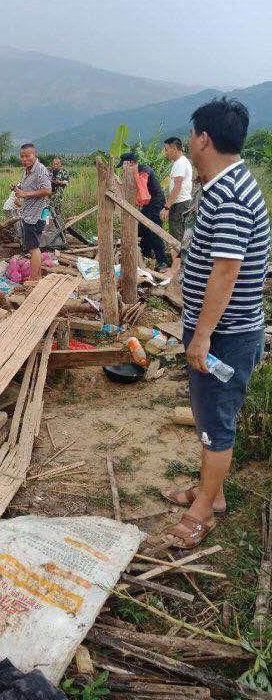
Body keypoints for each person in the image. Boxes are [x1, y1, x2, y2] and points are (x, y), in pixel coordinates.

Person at [163, 98, 269, 549]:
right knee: (209, 414)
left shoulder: (230, 195)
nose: (190, 142)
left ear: (204, 138)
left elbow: (226, 271)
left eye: (192, 135)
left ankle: (203, 511)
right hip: (221, 330)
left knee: (217, 420)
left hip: (225, 335)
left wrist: (202, 334)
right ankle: (213, 491)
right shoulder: (225, 185)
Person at [118, 152, 168, 272]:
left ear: (130, 163)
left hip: (155, 203)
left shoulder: (144, 172)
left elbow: (143, 197)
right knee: (142, 229)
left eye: (123, 165)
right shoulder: (136, 172)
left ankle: (162, 262)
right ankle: (146, 254)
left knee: (154, 231)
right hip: (148, 204)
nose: (123, 169)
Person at [15, 144, 52, 281]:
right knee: (34, 247)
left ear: (34, 155)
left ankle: (34, 279)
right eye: (22, 156)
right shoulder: (26, 171)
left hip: (35, 216)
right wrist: (20, 193)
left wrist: (25, 194)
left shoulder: (40, 170)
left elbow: (47, 190)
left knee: (33, 248)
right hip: (28, 213)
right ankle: (38, 276)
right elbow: (28, 190)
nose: (25, 159)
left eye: (28, 156)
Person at [161, 137, 193, 242]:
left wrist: (167, 207)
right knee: (179, 233)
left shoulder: (180, 163)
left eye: (166, 149)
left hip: (180, 204)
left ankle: (179, 253)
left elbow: (177, 187)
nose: (165, 152)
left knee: (176, 236)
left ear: (174, 149)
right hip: (181, 203)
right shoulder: (180, 162)